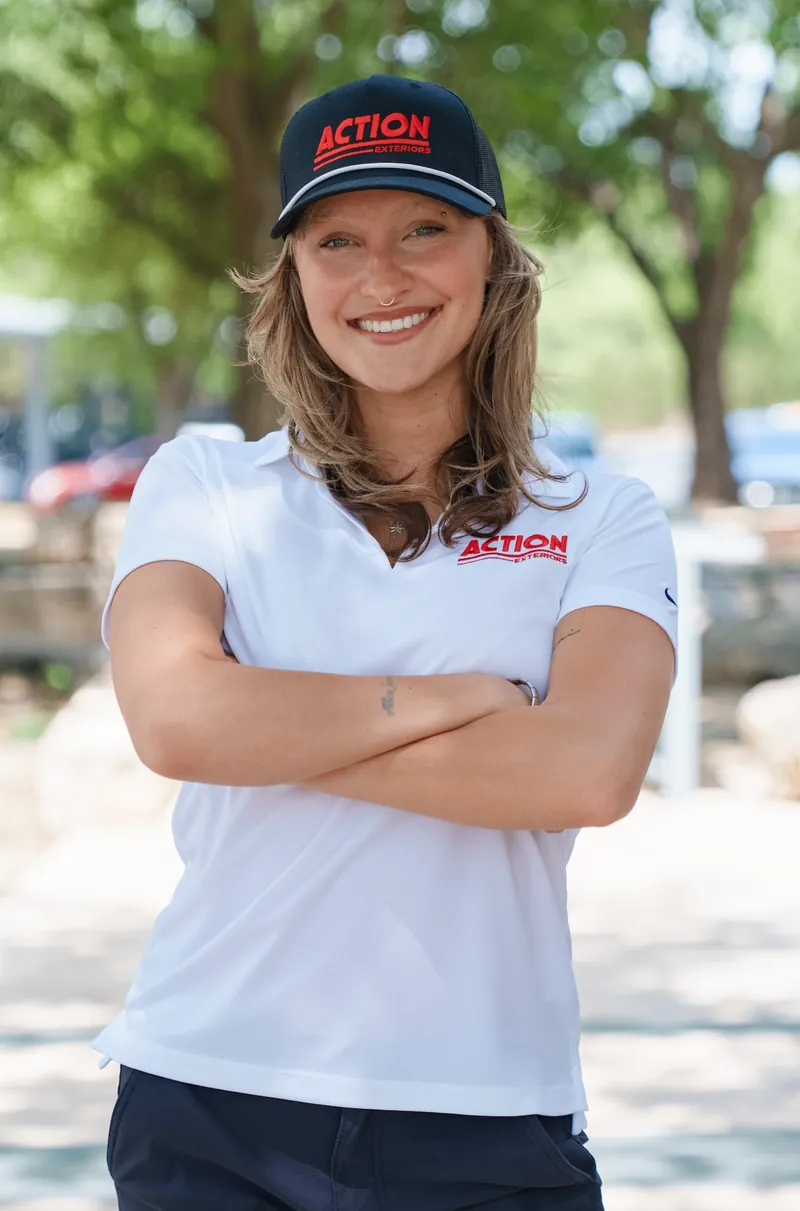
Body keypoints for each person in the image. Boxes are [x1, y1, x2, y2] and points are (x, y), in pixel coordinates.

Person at [97, 75, 677, 1210]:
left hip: (489, 1118)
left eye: (425, 228)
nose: (381, 276)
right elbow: (175, 719)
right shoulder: (206, 483)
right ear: (294, 276)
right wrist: (462, 694)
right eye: (336, 239)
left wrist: (260, 721)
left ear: (493, 259)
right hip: (211, 1097)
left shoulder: (598, 517)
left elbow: (585, 770)